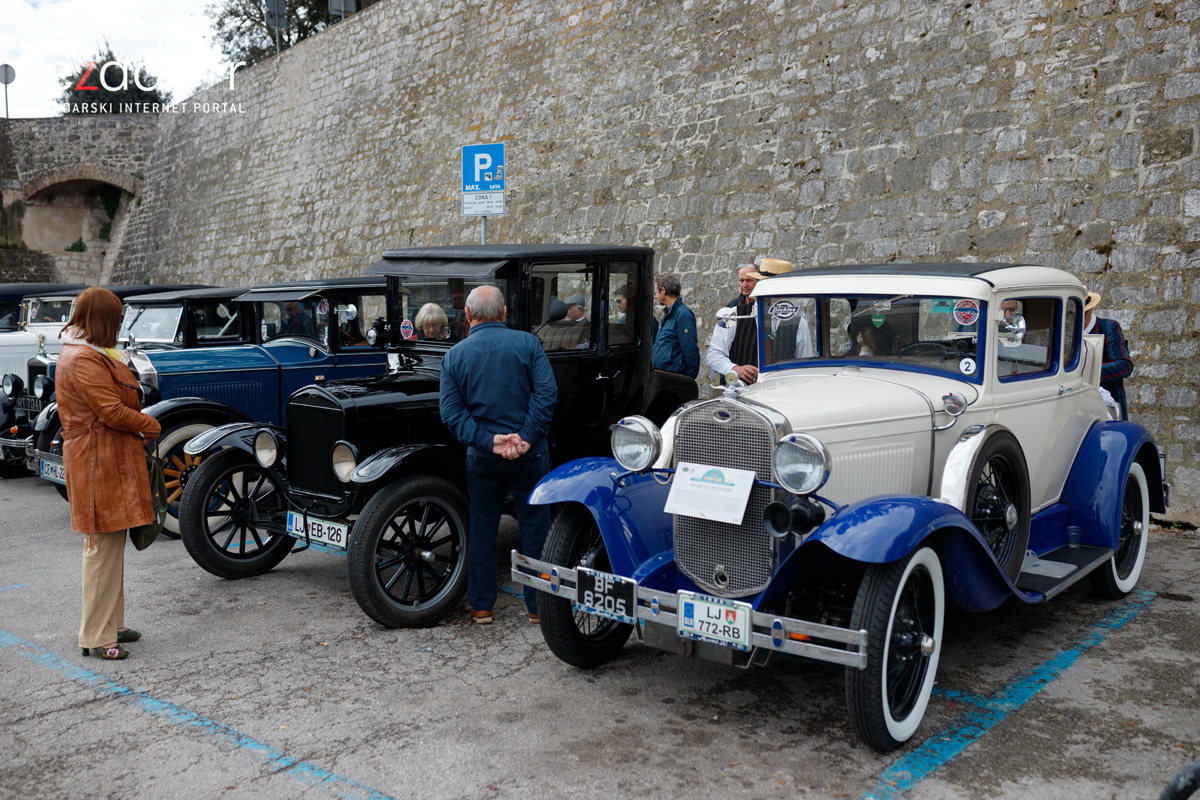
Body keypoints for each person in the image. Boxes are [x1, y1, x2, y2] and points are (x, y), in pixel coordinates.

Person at [439, 285, 558, 625]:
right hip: (530, 454)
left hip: (483, 457)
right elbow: (546, 395)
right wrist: (526, 436)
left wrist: (489, 442)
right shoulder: (528, 344)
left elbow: (452, 413)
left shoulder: (455, 356)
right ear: (504, 313)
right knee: (536, 529)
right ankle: (538, 608)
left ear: (468, 315)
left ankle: (482, 607)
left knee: (483, 527)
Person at [55, 287, 162, 660]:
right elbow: (112, 412)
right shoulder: (84, 358)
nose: (119, 324)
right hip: (97, 460)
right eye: (116, 318)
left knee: (110, 545)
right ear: (103, 319)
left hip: (101, 457)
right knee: (101, 547)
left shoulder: (84, 352)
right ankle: (96, 636)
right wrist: (151, 424)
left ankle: (111, 625)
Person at [705, 258, 811, 384]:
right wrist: (734, 369)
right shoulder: (732, 314)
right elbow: (714, 354)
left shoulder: (799, 322)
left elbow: (804, 365)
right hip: (742, 393)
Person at [1084, 291, 1134, 420]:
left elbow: (1124, 365)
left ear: (1090, 310)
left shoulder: (1108, 327)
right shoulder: (1063, 331)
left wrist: (1088, 372)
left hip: (1106, 402)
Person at [651, 274, 700, 378]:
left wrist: (689, 378)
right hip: (663, 374)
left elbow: (690, 348)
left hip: (673, 375)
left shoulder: (683, 315)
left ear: (663, 291)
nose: (655, 296)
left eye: (656, 292)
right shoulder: (669, 314)